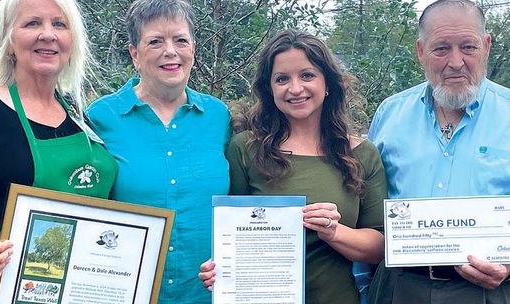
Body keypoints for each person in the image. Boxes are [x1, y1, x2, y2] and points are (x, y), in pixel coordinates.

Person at [197, 29, 387, 304]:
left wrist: (334, 231)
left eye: (307, 75)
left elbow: (381, 247)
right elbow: (232, 234)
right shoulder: (245, 148)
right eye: (282, 79)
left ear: (328, 83)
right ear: (269, 88)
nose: (295, 88)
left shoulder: (362, 153)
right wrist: (220, 271)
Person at [0, 0, 117, 302]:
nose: (48, 34)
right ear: (8, 40)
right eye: (32, 23)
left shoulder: (77, 114)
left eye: (59, 24)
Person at [86, 0, 230, 302]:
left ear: (193, 49)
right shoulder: (100, 117)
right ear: (134, 54)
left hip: (208, 295)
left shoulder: (219, 117)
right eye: (155, 41)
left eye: (181, 40)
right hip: (129, 293)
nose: (170, 51)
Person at [367, 0, 510, 303]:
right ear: (421, 51)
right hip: (400, 287)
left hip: (489, 291)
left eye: (468, 47)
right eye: (441, 48)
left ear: (486, 46)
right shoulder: (389, 115)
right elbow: (365, 208)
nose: (456, 62)